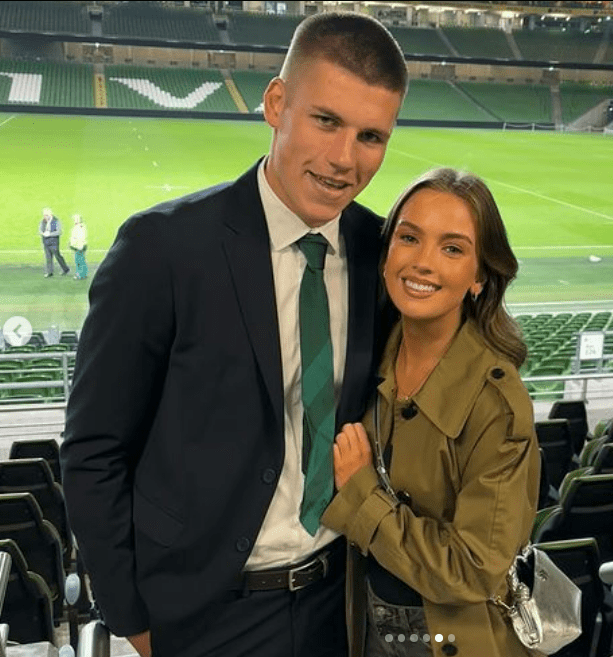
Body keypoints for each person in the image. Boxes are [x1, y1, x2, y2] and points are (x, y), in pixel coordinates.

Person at [61, 12, 407, 657]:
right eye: (325, 120)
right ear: (276, 104)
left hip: (341, 600)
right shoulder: (161, 249)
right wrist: (130, 618)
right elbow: (93, 449)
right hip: (202, 615)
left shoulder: (377, 249)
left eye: (371, 136)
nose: (343, 160)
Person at [322, 168, 541, 657]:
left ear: (480, 277)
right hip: (364, 620)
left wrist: (362, 495)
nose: (422, 263)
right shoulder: (369, 353)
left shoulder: (498, 406)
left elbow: (472, 569)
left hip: (449, 639)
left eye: (452, 248)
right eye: (409, 238)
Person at [39, 207, 70, 277]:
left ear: (50, 214)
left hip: (54, 242)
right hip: (46, 242)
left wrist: (49, 234)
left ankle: (65, 268)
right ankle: (49, 272)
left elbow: (58, 232)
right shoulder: (43, 221)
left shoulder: (56, 221)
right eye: (44, 215)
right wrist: (43, 233)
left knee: (57, 256)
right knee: (48, 257)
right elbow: (40, 229)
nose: (45, 217)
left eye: (46, 215)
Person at [69, 214, 88, 280]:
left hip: (79, 247)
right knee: (81, 260)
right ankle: (83, 274)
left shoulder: (79, 227)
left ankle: (80, 274)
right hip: (80, 246)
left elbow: (79, 238)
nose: (74, 220)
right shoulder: (81, 226)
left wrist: (75, 245)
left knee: (79, 261)